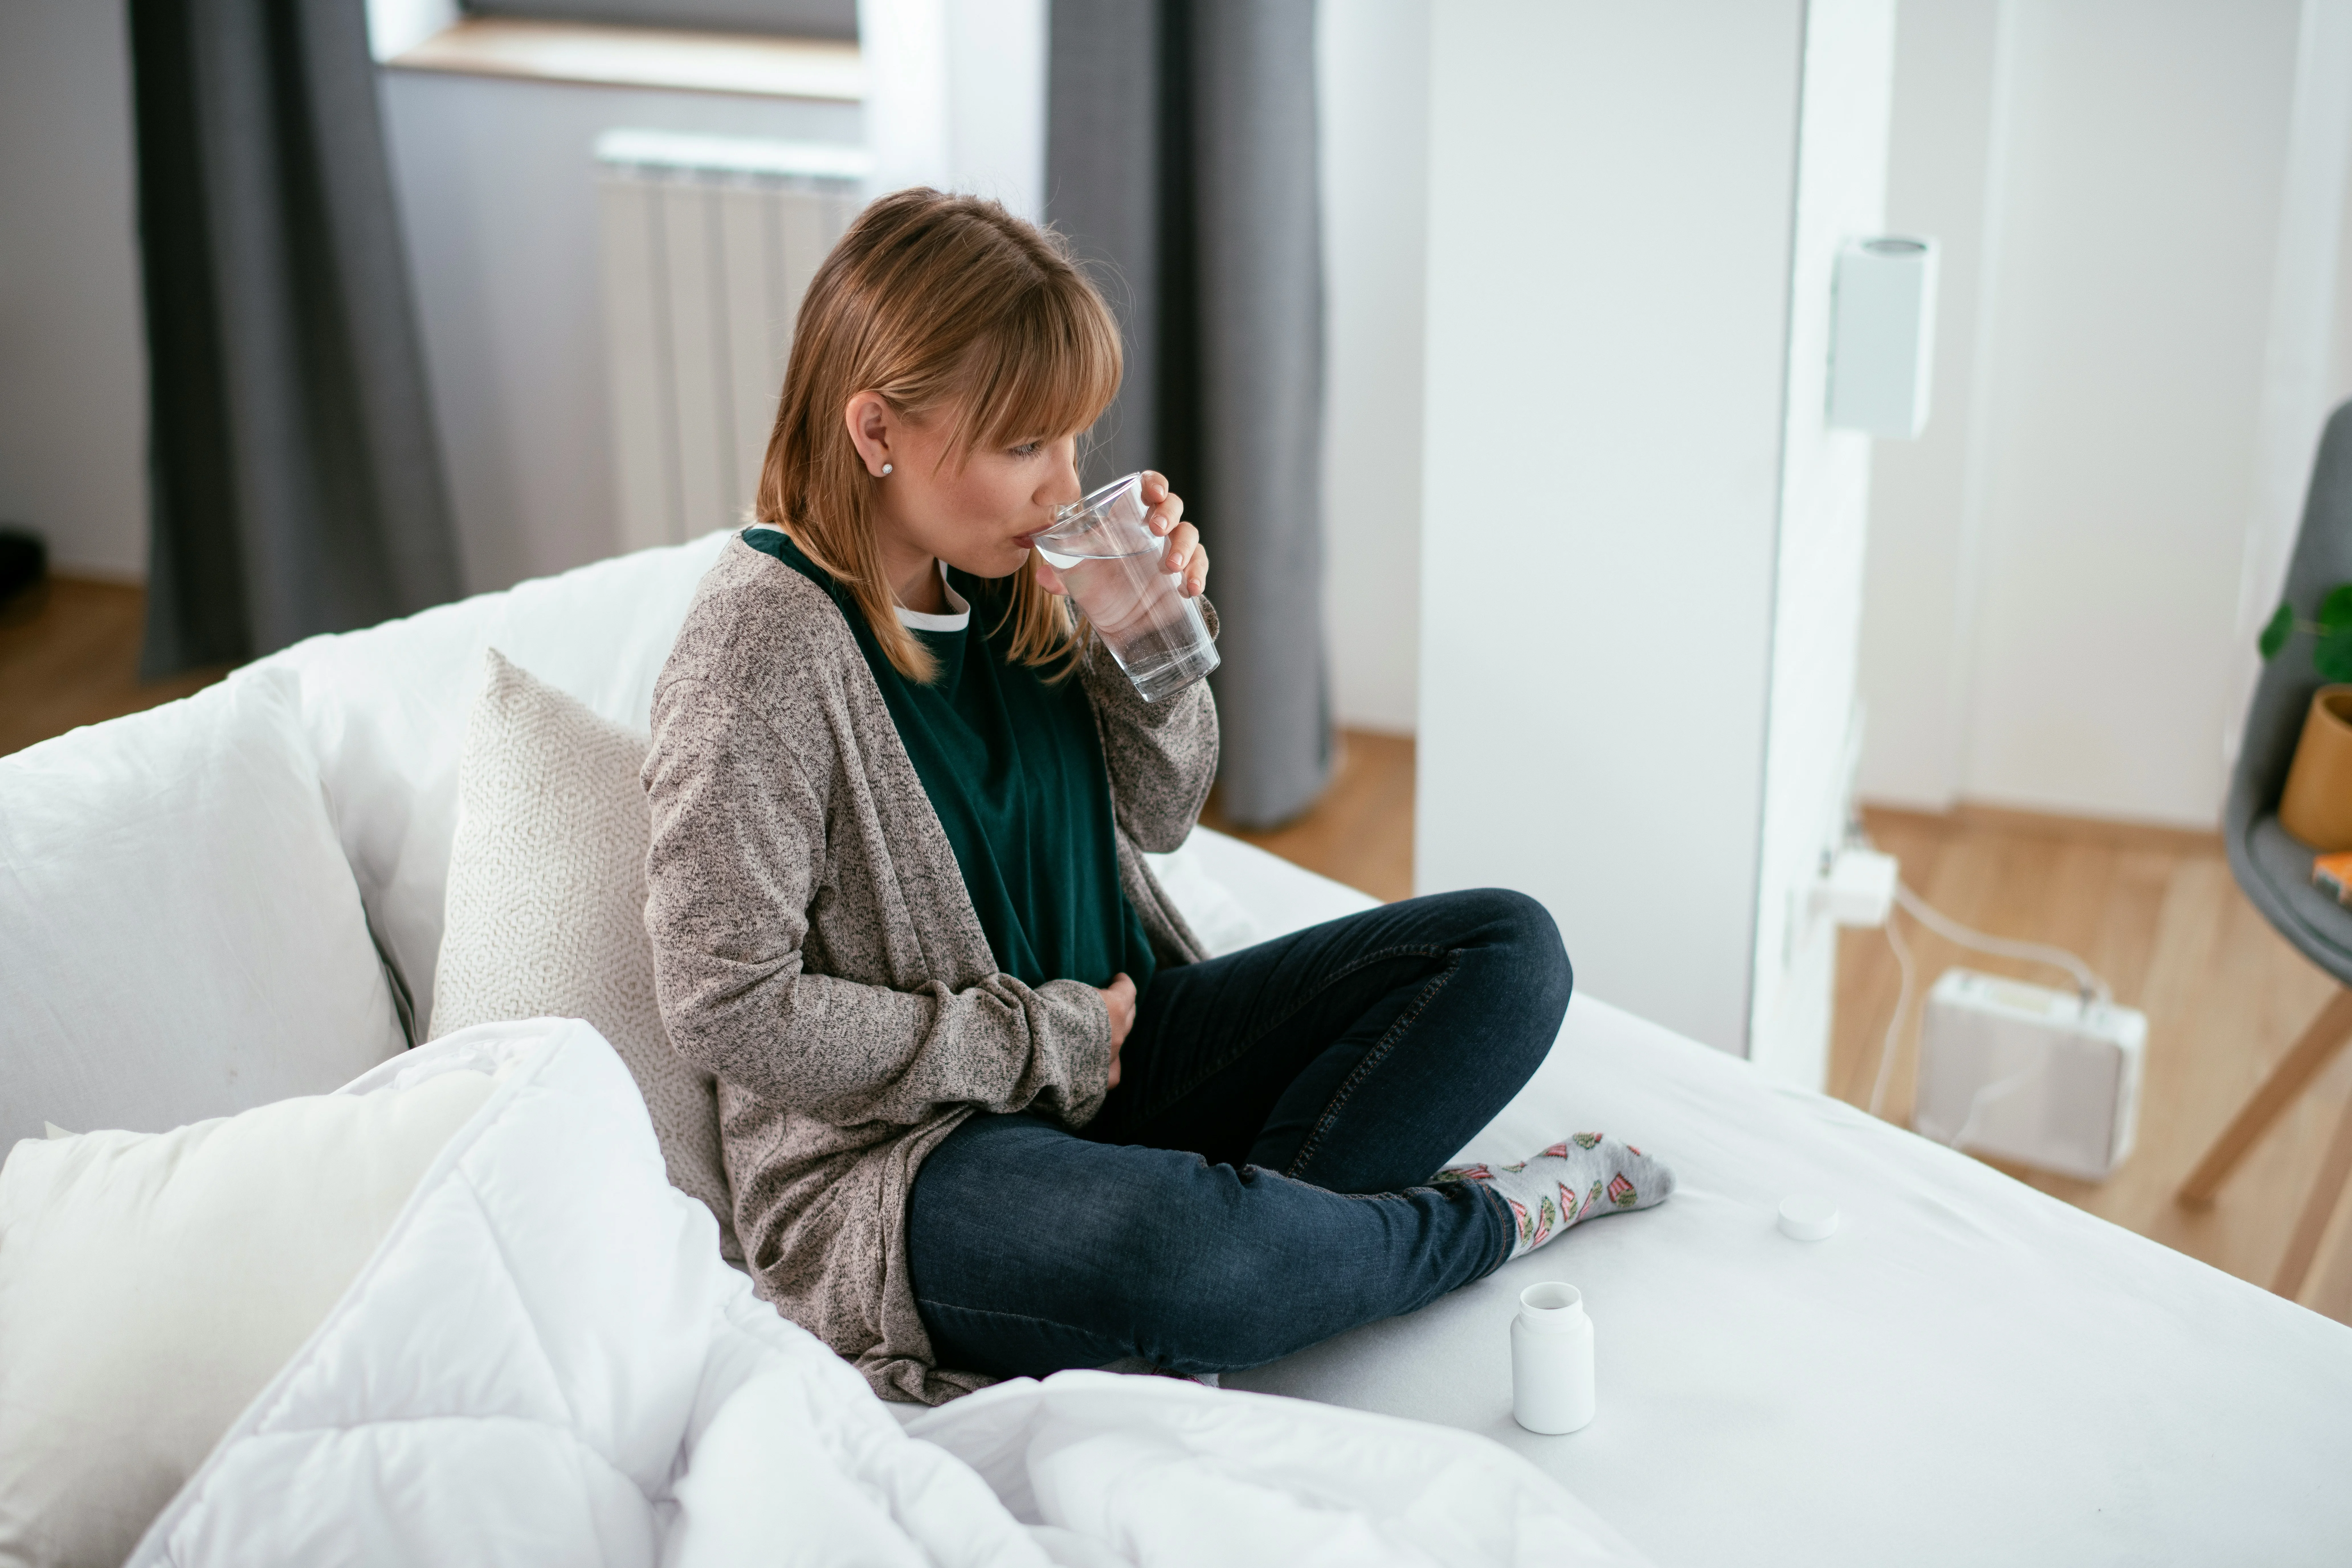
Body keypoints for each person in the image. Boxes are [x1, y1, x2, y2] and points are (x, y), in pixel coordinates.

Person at [642, 187, 1672, 1405]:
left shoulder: (1013, 573)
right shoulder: (759, 646)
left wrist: (1153, 645)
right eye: (1024, 445)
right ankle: (1477, 1223)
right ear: (875, 428)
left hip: (1135, 1054)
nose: (1063, 485)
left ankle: (1263, 1264)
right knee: (1192, 1252)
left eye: (1074, 438)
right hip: (917, 1154)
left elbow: (1166, 808)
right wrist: (1045, 1036)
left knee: (1509, 952)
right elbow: (727, 1004)